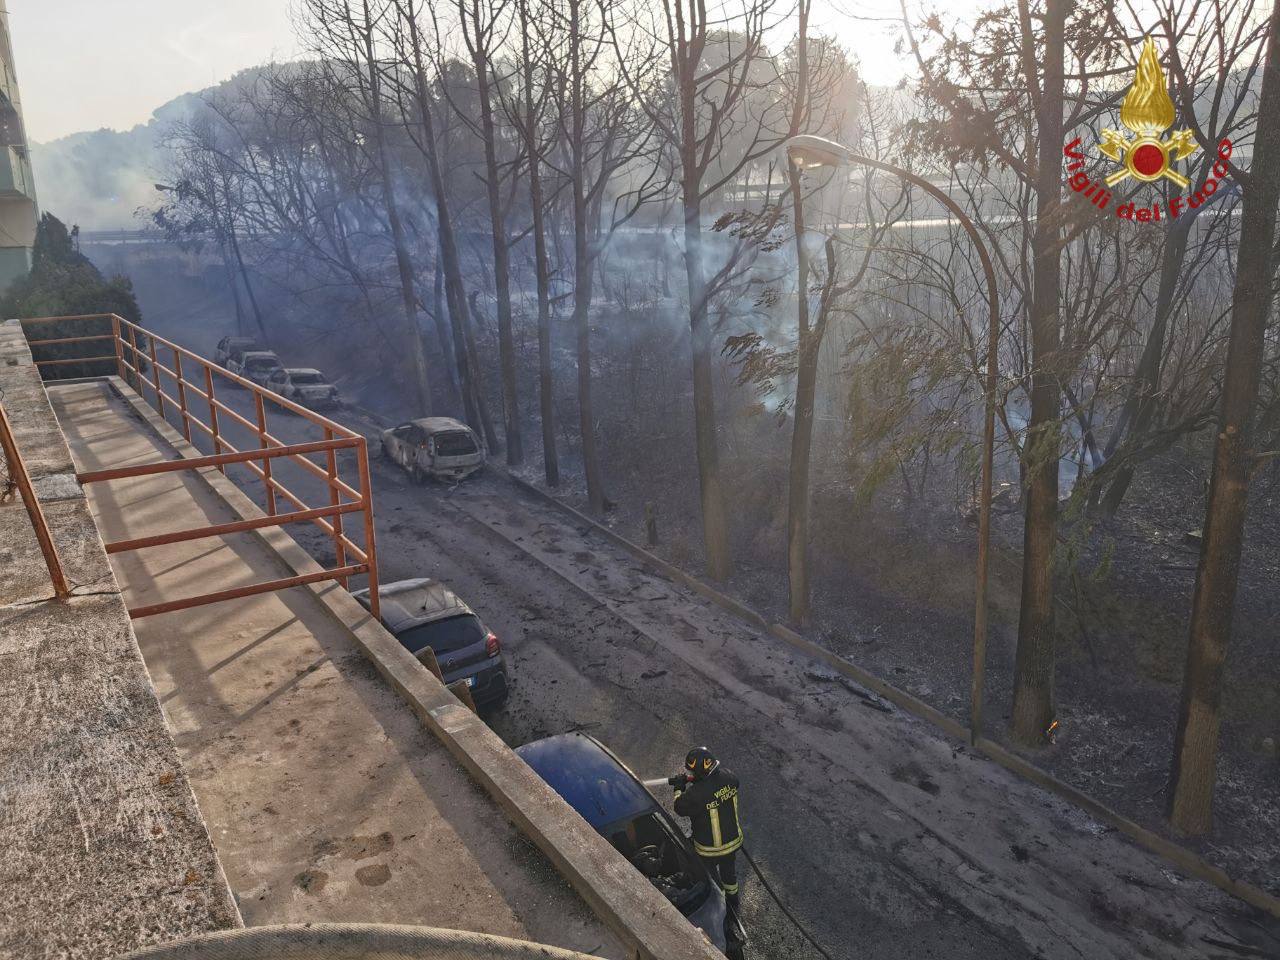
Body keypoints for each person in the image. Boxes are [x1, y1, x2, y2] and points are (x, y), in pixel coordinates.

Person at [669, 746, 742, 910]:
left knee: (707, 876)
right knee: (729, 875)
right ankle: (733, 901)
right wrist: (699, 781)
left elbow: (679, 807)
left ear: (700, 772)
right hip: (732, 842)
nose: (690, 774)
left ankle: (717, 905)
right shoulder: (730, 777)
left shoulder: (695, 795)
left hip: (709, 850)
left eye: (692, 772)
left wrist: (679, 788)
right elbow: (716, 789)